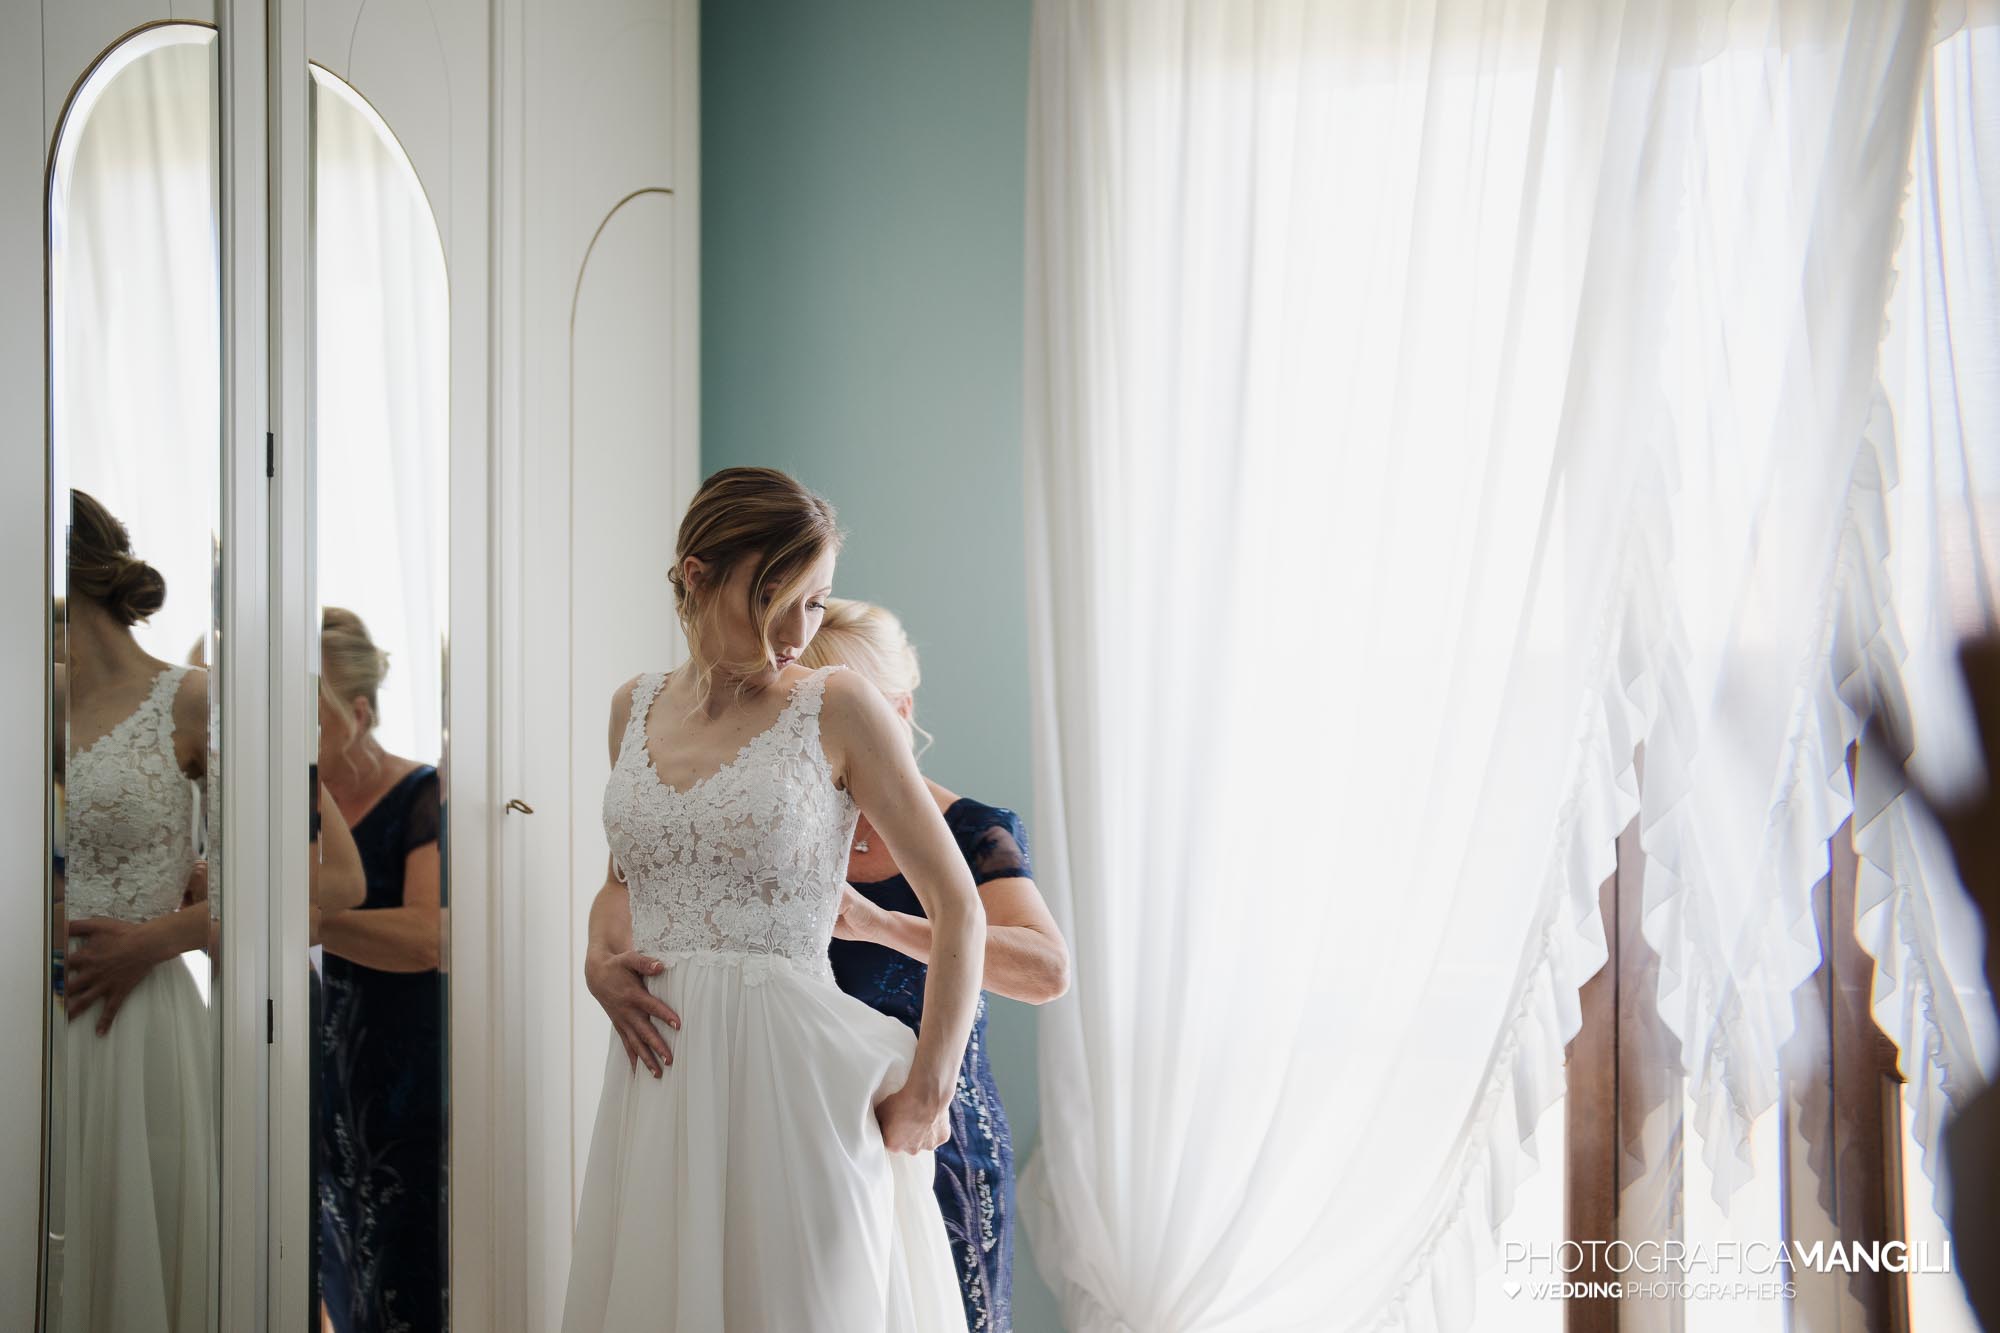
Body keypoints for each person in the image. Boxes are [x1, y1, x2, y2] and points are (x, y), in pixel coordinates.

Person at [563, 467, 986, 1332]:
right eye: (778, 599)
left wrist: (929, 1091)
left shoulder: (838, 706)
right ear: (695, 576)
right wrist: (598, 963)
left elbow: (960, 907)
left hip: (794, 1085)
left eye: (816, 602)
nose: (801, 631)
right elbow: (621, 881)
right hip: (661, 1081)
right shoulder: (631, 709)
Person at [811, 598, 1067, 1330]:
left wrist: (882, 923)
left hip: (938, 1137)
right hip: (814, 1132)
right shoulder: (787, 829)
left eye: (855, 711)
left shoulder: (971, 830)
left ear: (900, 708)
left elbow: (1047, 969)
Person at [54, 490, 214, 1332]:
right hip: (26, 1027)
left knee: (132, 1255)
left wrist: (152, 941)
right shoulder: (26, 702)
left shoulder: (195, 698)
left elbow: (305, 887)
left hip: (136, 1023)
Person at [315, 607, 446, 1333]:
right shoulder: (295, 811)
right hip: (324, 1068)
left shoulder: (420, 793)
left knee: (401, 1278)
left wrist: (307, 922)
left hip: (402, 1070)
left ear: (358, 713)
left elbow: (431, 934)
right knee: (337, 1268)